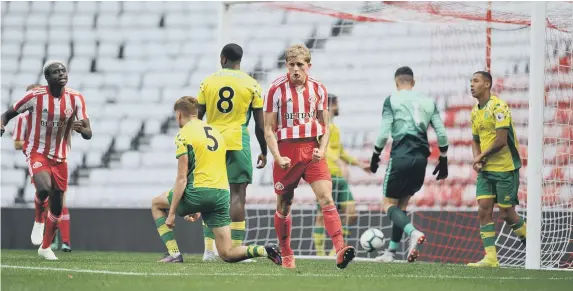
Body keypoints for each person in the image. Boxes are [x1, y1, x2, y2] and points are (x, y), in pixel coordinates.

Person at [150, 96, 282, 265]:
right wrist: (198, 206)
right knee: (227, 253)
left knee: (156, 204)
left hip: (197, 192)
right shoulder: (215, 133)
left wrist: (173, 213)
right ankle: (265, 250)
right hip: (220, 195)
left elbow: (182, 179)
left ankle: (174, 253)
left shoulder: (183, 135)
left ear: (178, 115)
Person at [264, 44, 356, 269]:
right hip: (286, 152)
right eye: (292, 65)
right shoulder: (275, 90)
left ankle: (340, 249)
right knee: (284, 205)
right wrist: (277, 156)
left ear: (308, 66)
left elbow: (325, 126)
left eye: (300, 65)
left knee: (326, 198)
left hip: (312, 151)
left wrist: (322, 149)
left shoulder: (319, 89)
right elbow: (268, 128)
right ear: (286, 65)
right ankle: (286, 253)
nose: (296, 69)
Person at [1, 61, 92, 260]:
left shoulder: (76, 98)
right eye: (55, 72)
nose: (61, 74)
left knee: (58, 206)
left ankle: (45, 247)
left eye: (63, 71)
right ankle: (39, 219)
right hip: (37, 152)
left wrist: (81, 129)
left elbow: (88, 132)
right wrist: (1, 125)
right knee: (43, 189)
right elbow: (7, 114)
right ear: (47, 78)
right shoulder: (35, 97)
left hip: (61, 157)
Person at [369, 66, 449, 263]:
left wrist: (375, 156)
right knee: (402, 204)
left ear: (397, 83)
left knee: (388, 203)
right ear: (413, 83)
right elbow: (441, 133)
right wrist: (444, 158)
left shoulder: (392, 100)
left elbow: (383, 133)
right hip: (421, 159)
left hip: (401, 155)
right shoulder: (429, 102)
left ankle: (413, 233)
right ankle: (391, 252)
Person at [197, 43, 267, 261]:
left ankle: (209, 250)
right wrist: (264, 151)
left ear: (222, 59)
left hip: (210, 141)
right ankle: (236, 250)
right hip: (238, 140)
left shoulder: (208, 81)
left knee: (211, 195)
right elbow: (260, 125)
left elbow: (197, 117)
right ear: (240, 61)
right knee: (237, 195)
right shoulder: (251, 84)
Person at [467, 71, 526, 267]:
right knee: (483, 209)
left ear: (487, 84)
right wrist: (478, 159)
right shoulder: (474, 112)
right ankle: (491, 258)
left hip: (505, 168)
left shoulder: (499, 107)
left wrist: (480, 156)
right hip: (486, 170)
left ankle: (532, 244)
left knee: (506, 213)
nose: (471, 84)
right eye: (471, 81)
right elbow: (475, 139)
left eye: (475, 81)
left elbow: (501, 141)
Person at [12, 83, 72, 252]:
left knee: (60, 200)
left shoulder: (53, 115)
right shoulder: (22, 118)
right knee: (46, 193)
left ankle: (64, 241)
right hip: (38, 159)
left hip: (57, 158)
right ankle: (49, 238)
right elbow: (17, 143)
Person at [313, 94, 370, 256]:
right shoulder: (319, 126)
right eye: (337, 104)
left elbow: (341, 152)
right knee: (322, 215)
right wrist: (337, 161)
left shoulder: (335, 128)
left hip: (340, 178)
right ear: (331, 105)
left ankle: (334, 252)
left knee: (351, 213)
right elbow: (318, 149)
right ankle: (320, 254)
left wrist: (360, 165)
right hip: (325, 175)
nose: (339, 107)